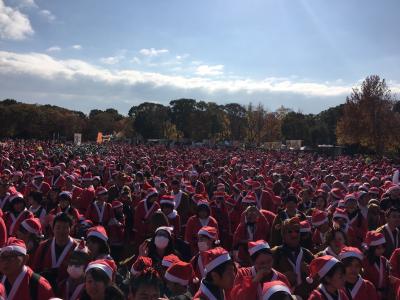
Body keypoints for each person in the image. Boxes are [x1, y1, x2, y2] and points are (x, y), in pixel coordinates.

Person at [32, 212, 79, 292]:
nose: (61, 231)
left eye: (65, 227)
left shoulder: (77, 248)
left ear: (70, 229)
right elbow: (35, 270)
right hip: (45, 289)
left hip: (68, 292)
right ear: (53, 229)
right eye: (58, 227)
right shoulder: (44, 246)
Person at [271, 217, 314, 300]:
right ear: (283, 234)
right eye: (290, 231)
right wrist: (282, 277)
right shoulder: (275, 253)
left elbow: (319, 279)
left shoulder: (307, 253)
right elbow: (266, 277)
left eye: (297, 231)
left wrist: (311, 272)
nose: (294, 234)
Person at [362, 231, 390, 300]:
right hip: (370, 294)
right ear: (372, 249)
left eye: (383, 248)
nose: (381, 250)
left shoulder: (383, 260)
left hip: (384, 294)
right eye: (378, 248)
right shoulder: (364, 262)